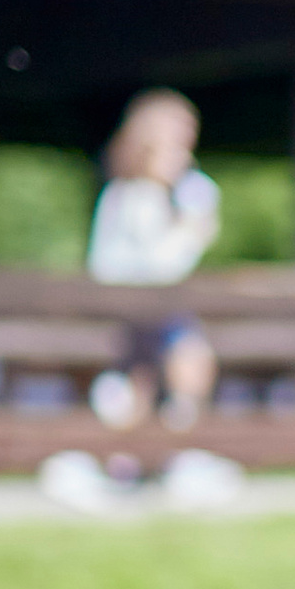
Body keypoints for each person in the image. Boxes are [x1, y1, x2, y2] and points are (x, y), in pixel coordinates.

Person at [85, 90, 220, 432]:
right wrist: (194, 229)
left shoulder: (158, 194)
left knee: (183, 357)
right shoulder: (134, 196)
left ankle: (169, 445)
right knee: (173, 360)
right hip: (128, 311)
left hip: (150, 311)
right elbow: (161, 265)